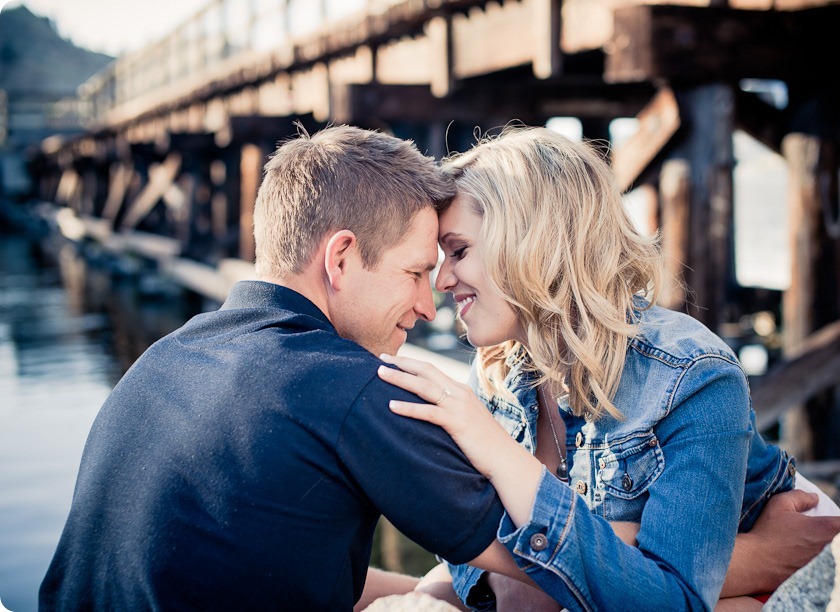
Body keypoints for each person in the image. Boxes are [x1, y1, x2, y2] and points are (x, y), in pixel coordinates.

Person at [38, 124, 532, 610]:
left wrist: (416, 592)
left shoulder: (158, 361)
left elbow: (263, 567)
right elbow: (553, 561)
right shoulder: (351, 386)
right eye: (416, 272)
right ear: (340, 259)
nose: (428, 306)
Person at [376, 126, 840, 611]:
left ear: (530, 240)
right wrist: (625, 542)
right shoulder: (496, 371)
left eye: (458, 251)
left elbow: (675, 596)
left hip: (766, 595)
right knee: (433, 593)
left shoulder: (690, 375)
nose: (441, 279)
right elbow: (476, 561)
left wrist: (503, 467)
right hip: (669, 585)